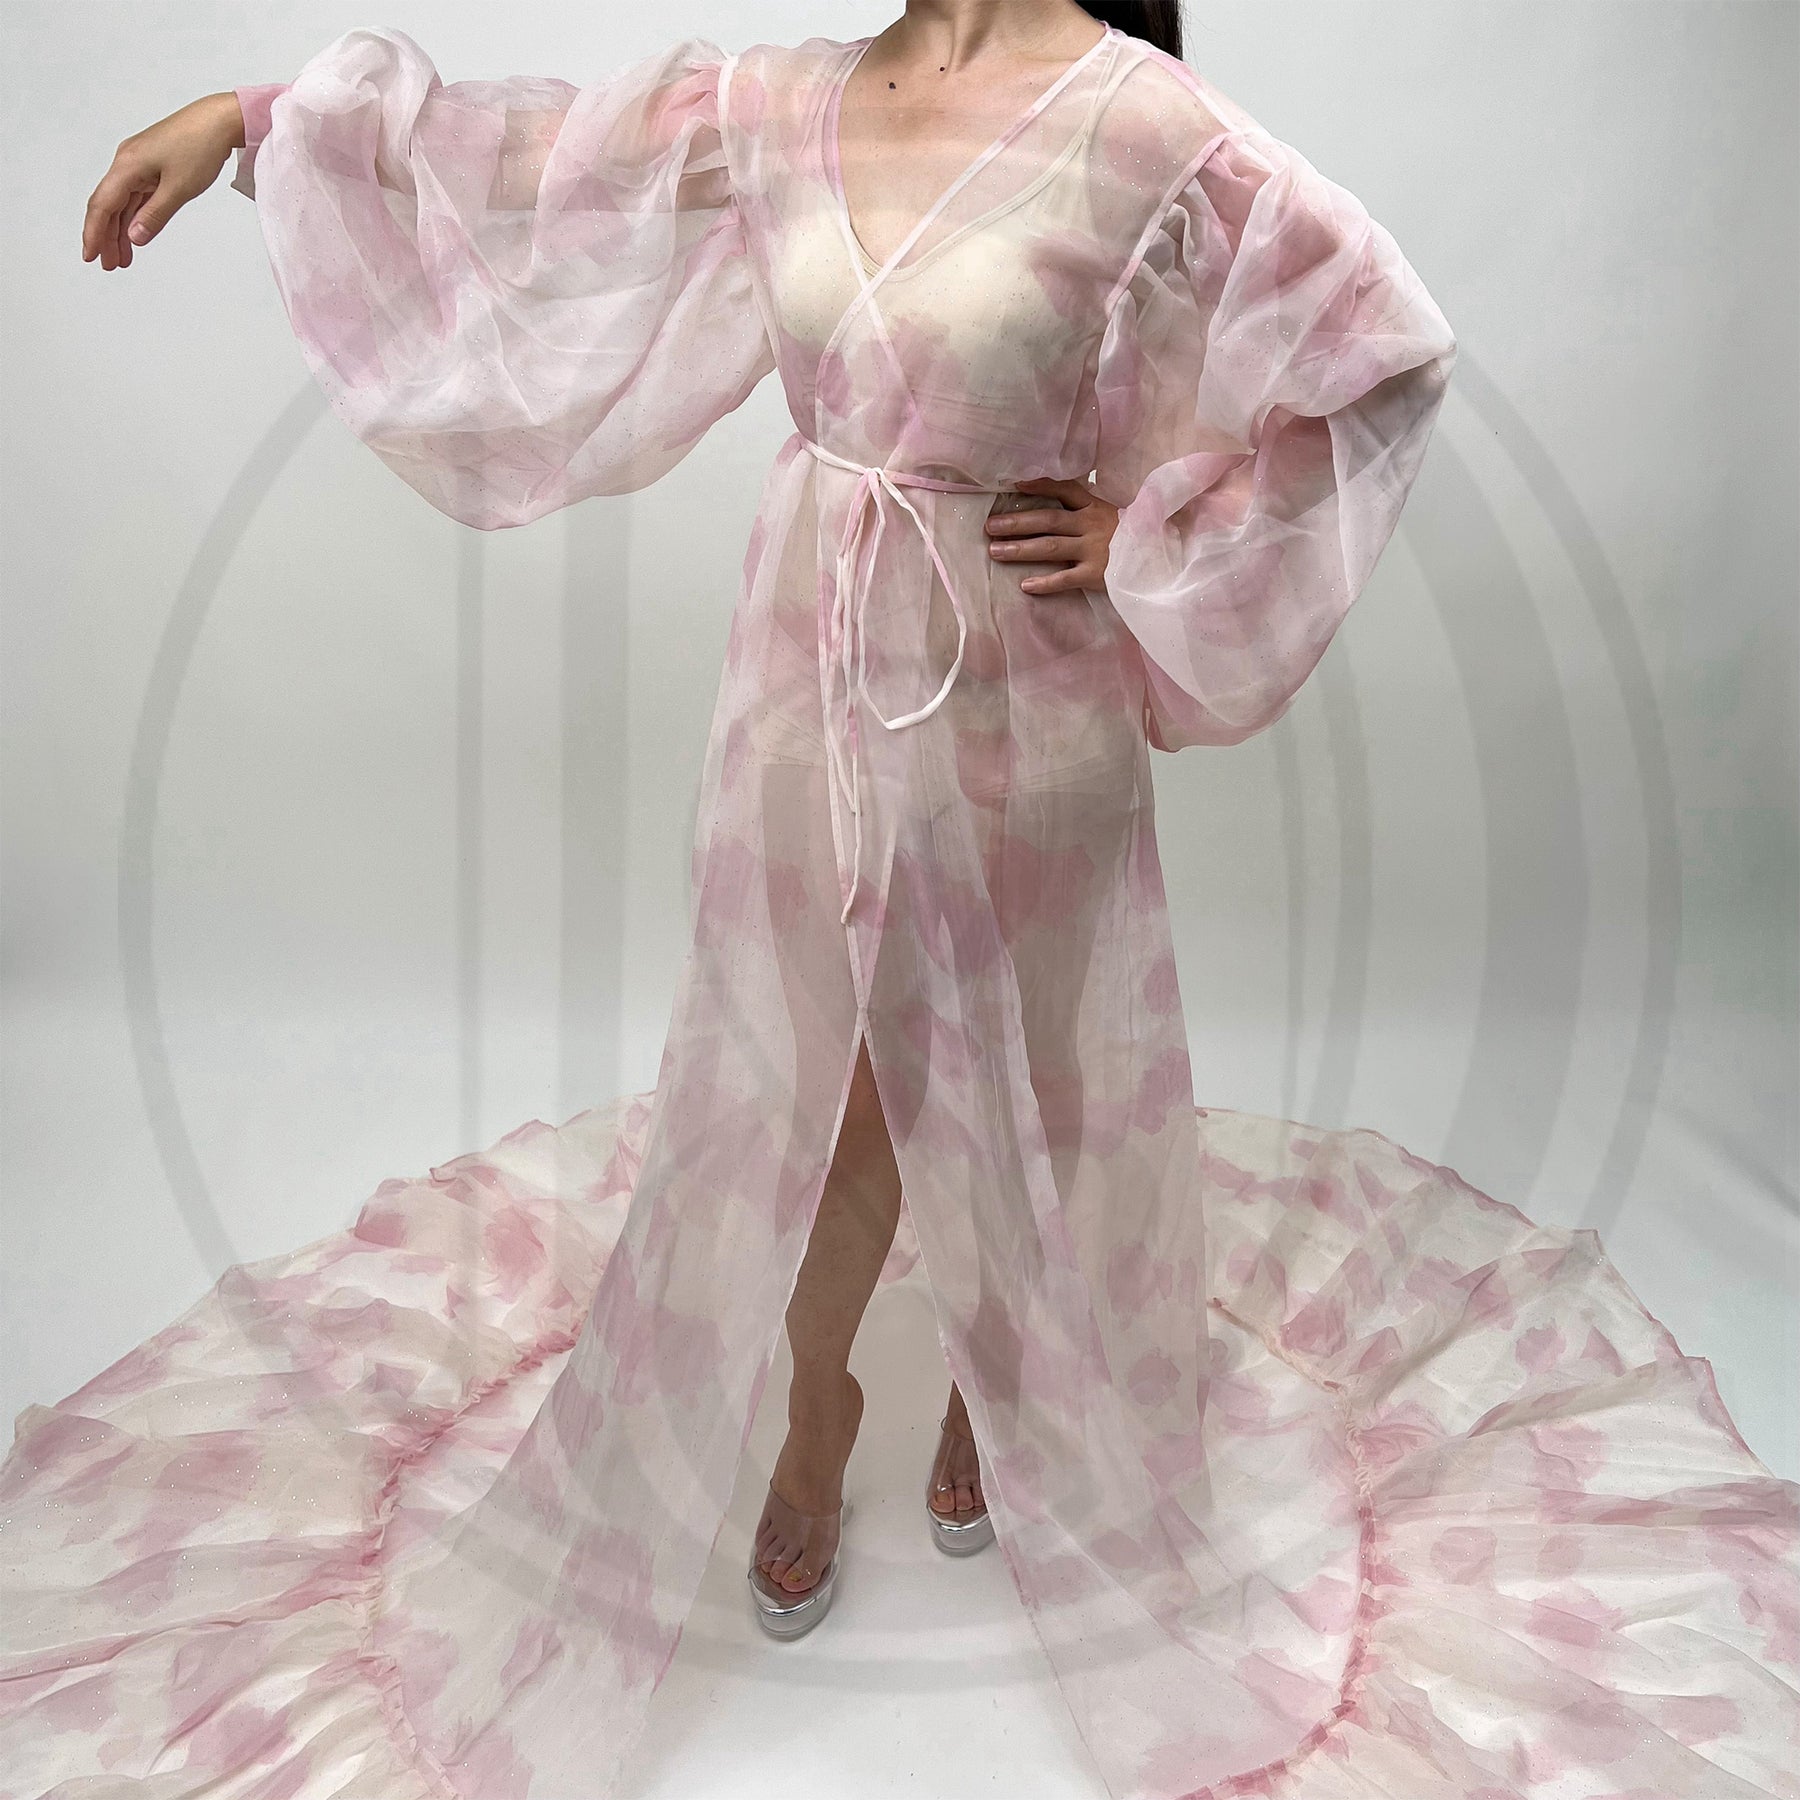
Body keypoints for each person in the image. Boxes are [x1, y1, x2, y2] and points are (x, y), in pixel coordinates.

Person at [35, 4, 1793, 1798]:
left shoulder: (1143, 126)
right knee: (823, 1080)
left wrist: (1154, 530)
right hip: (806, 683)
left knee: (1038, 1071)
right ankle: (820, 1408)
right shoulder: (780, 100)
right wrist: (253, 120)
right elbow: (531, 178)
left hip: (1025, 694)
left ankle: (1003, 1390)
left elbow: (1379, 350)